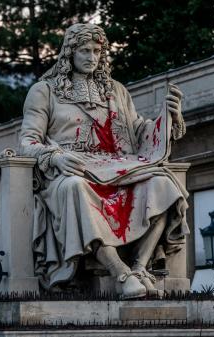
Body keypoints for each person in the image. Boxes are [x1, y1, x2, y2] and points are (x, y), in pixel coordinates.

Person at [19, 23, 189, 298]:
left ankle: (138, 268)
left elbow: (140, 132)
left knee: (164, 185)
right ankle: (120, 272)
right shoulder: (44, 91)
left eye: (97, 51)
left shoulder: (117, 91)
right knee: (74, 187)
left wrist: (170, 118)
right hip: (71, 168)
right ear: (69, 53)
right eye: (84, 50)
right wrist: (55, 157)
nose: (91, 57)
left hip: (118, 166)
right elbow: (28, 142)